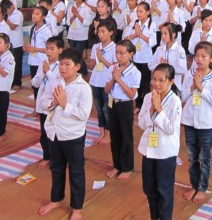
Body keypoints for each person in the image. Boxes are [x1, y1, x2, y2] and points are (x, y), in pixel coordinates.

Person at [38, 48, 92, 220]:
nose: (62, 68)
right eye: (61, 64)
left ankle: (77, 208)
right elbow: (43, 101)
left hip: (72, 135)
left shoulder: (83, 88)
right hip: (54, 132)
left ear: (77, 67)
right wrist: (53, 102)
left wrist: (64, 104)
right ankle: (56, 199)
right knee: (56, 168)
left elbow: (84, 114)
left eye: (67, 64)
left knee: (76, 171)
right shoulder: (55, 81)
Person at [138, 64, 182, 220]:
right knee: (149, 189)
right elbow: (141, 123)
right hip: (149, 150)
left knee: (164, 191)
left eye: (161, 80)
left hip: (165, 152)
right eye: (154, 79)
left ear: (171, 81)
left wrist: (159, 110)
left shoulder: (175, 101)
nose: (156, 84)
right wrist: (151, 111)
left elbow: (171, 129)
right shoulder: (148, 97)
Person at [181, 42, 212, 204]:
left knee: (204, 158)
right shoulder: (189, 74)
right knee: (192, 157)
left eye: (204, 56)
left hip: (205, 123)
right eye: (197, 56)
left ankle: (202, 187)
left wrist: (201, 88)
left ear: (211, 59)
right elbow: (183, 97)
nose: (199, 59)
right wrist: (192, 87)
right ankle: (194, 185)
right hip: (189, 120)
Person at [105, 40, 141, 181]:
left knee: (126, 136)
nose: (118, 56)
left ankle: (127, 167)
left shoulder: (135, 72)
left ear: (130, 54)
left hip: (125, 105)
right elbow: (106, 89)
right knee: (114, 136)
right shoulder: (113, 68)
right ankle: (117, 165)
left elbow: (132, 95)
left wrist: (119, 79)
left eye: (122, 53)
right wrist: (113, 79)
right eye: (117, 53)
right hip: (112, 103)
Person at [31, 36, 63, 169]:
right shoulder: (43, 63)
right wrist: (43, 73)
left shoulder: (62, 66)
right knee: (44, 132)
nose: (48, 52)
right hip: (42, 103)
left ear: (60, 50)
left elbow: (58, 85)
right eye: (47, 48)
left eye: (52, 49)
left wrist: (48, 72)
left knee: (54, 132)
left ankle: (57, 157)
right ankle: (47, 156)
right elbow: (35, 83)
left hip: (54, 104)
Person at [123, 2, 156, 113]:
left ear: (148, 12)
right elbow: (126, 37)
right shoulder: (135, 23)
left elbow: (153, 42)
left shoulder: (152, 24)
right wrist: (135, 34)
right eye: (137, 11)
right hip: (135, 58)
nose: (139, 13)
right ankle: (137, 104)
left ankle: (145, 106)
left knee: (145, 83)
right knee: (135, 82)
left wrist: (140, 34)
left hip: (146, 58)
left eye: (141, 11)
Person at [87, 19, 116, 144]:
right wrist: (92, 61)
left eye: (103, 31)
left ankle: (109, 133)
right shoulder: (96, 46)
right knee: (98, 108)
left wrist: (101, 58)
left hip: (107, 82)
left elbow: (115, 68)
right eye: (99, 31)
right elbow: (92, 65)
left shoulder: (115, 48)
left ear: (111, 32)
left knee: (107, 109)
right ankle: (101, 132)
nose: (100, 34)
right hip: (95, 81)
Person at [24, 6, 52, 116]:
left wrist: (34, 49)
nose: (34, 16)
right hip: (33, 60)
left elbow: (50, 49)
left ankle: (43, 108)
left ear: (43, 17)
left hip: (42, 62)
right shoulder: (33, 28)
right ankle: (36, 109)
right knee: (35, 85)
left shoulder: (46, 31)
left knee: (43, 86)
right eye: (33, 13)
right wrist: (28, 48)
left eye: (37, 14)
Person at [150, 23, 187, 90]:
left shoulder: (180, 50)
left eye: (165, 33)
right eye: (162, 34)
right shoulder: (159, 49)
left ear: (173, 34)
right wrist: (159, 65)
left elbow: (183, 69)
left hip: (174, 86)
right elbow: (150, 64)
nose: (162, 36)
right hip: (159, 85)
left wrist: (167, 67)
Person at [2, 0, 24, 89]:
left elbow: (13, 27)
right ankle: (9, 81)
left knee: (17, 64)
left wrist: (6, 19)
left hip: (17, 43)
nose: (7, 11)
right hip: (7, 43)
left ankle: (17, 82)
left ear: (11, 6)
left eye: (7, 9)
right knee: (7, 62)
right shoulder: (5, 14)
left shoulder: (18, 14)